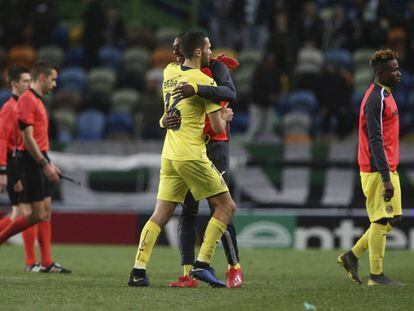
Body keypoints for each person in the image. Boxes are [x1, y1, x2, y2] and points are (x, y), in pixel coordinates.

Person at [128, 31, 236, 288]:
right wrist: (224, 113)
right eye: (208, 48)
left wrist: (162, 121)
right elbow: (218, 128)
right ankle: (203, 264)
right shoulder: (202, 81)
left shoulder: (168, 73)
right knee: (226, 207)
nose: (211, 52)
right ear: (198, 52)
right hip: (191, 154)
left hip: (169, 154)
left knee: (160, 214)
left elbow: (169, 114)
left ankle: (138, 271)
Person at [163, 34, 243, 288]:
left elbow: (229, 92)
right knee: (188, 210)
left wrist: (198, 90)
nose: (175, 52)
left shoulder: (216, 67)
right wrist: (163, 121)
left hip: (216, 146)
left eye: (178, 47)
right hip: (190, 146)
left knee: (220, 206)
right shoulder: (175, 72)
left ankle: (234, 267)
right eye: (174, 48)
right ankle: (188, 272)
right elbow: (167, 110)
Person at [337, 49, 404, 286]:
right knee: (381, 220)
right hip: (377, 169)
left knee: (392, 218)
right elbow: (375, 139)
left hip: (387, 165)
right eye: (394, 70)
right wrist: (385, 176)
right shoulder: (376, 98)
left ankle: (351, 256)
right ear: (381, 73)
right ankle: (376, 275)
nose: (399, 73)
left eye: (398, 68)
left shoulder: (385, 93)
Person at [0, 61, 71, 273]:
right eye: (53, 79)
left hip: (37, 158)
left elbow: (37, 138)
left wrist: (48, 161)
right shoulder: (25, 102)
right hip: (27, 161)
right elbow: (23, 138)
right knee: (32, 214)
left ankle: (45, 261)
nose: (55, 84)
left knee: (43, 212)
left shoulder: (37, 101)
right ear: (43, 78)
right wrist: (42, 164)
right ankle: (29, 259)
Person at [0, 66, 42, 272]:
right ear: (14, 83)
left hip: (16, 160)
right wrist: (3, 170)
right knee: (26, 212)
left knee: (19, 214)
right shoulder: (10, 107)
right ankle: (30, 261)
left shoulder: (20, 105)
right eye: (25, 81)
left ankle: (32, 261)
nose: (28, 84)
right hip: (12, 160)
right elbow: (2, 138)